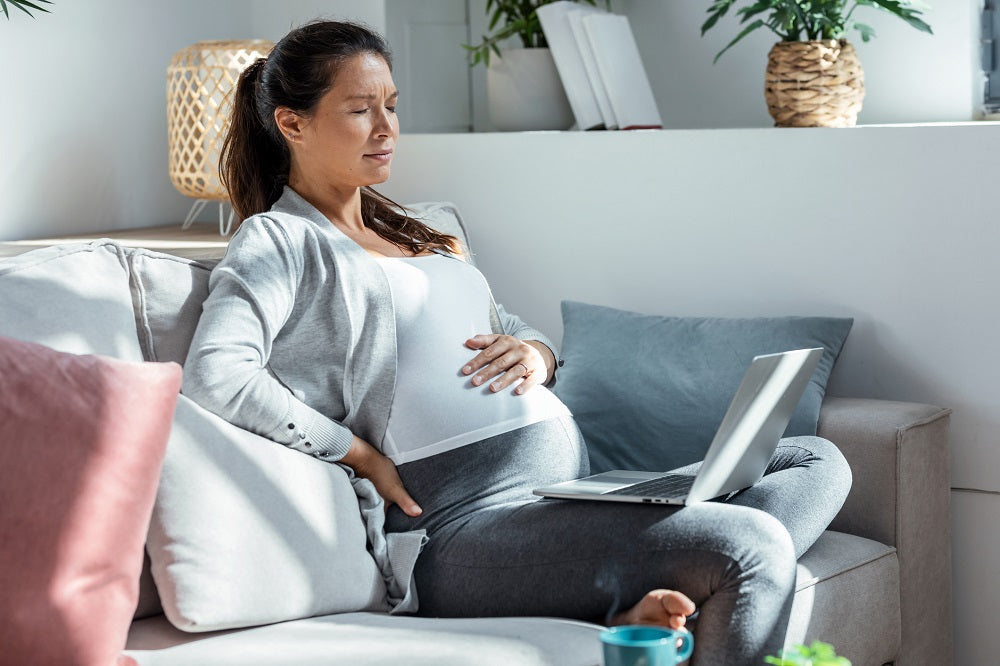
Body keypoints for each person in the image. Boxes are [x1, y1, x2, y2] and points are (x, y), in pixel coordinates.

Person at [182, 19, 852, 665]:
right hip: (464, 531)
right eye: (360, 110)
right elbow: (217, 373)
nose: (388, 129)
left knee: (816, 460)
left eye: (391, 104)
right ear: (291, 123)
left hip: (568, 499)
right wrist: (353, 451)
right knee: (751, 545)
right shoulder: (281, 241)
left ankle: (632, 601)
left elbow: (509, 326)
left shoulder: (414, 230)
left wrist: (539, 354)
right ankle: (662, 591)